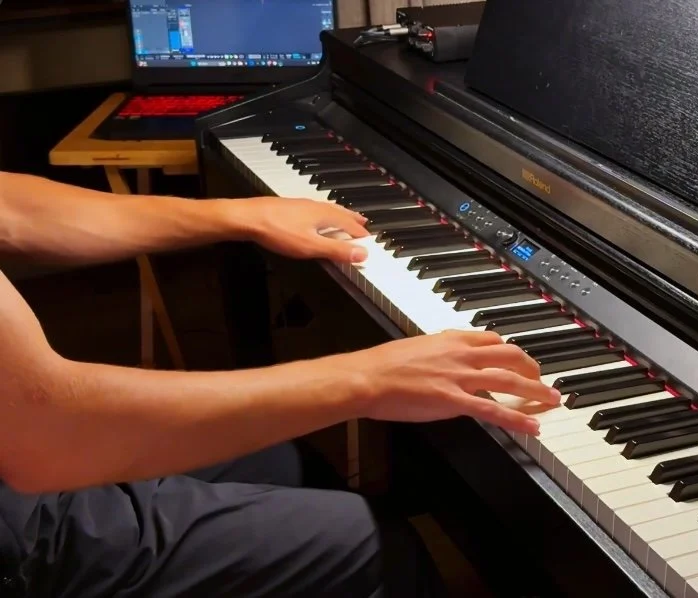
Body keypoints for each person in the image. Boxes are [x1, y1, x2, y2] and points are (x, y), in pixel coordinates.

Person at [0, 171, 561, 597]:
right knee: (371, 545)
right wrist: (366, 376)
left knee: (287, 464)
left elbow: (12, 207)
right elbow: (49, 433)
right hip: (19, 511)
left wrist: (236, 213)